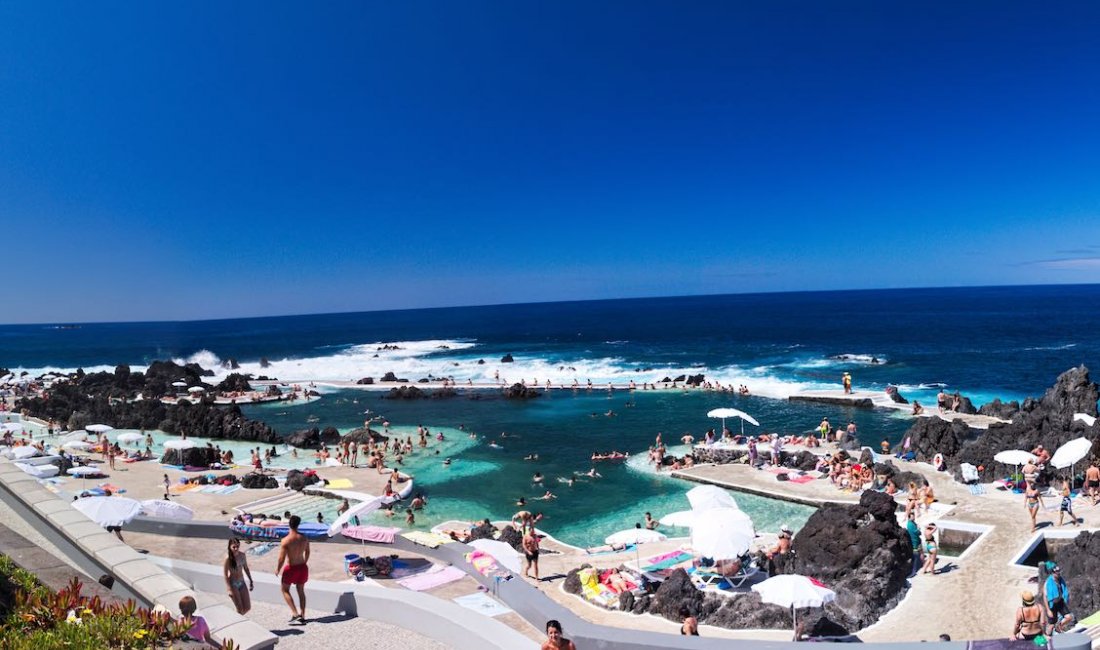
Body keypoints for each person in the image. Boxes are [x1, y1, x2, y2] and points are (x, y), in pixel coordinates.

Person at [275, 515, 311, 624]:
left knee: (285, 590)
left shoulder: (286, 541)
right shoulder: (304, 538)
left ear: (289, 524)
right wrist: (304, 562)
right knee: (301, 591)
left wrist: (277, 569)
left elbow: (281, 558)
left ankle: (295, 613)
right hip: (302, 567)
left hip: (291, 568)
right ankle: (303, 615)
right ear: (298, 525)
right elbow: (308, 552)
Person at [224, 539, 253, 615]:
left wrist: (251, 580)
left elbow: (246, 568)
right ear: (229, 547)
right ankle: (238, 622)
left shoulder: (242, 555)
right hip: (233, 584)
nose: (236, 548)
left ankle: (235, 618)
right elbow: (225, 574)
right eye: (234, 547)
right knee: (240, 609)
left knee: (247, 607)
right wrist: (229, 589)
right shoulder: (228, 558)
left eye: (237, 546)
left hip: (242, 582)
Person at [1045, 564, 1073, 633]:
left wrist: (1066, 598)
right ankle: (1047, 637)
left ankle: (1059, 627)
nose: (1058, 573)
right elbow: (1045, 597)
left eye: (1059, 571)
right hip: (1052, 604)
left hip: (1060, 602)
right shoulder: (1048, 583)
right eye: (1056, 572)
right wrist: (1048, 610)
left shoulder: (1060, 579)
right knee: (1051, 625)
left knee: (1068, 617)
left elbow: (1064, 589)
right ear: (1052, 573)